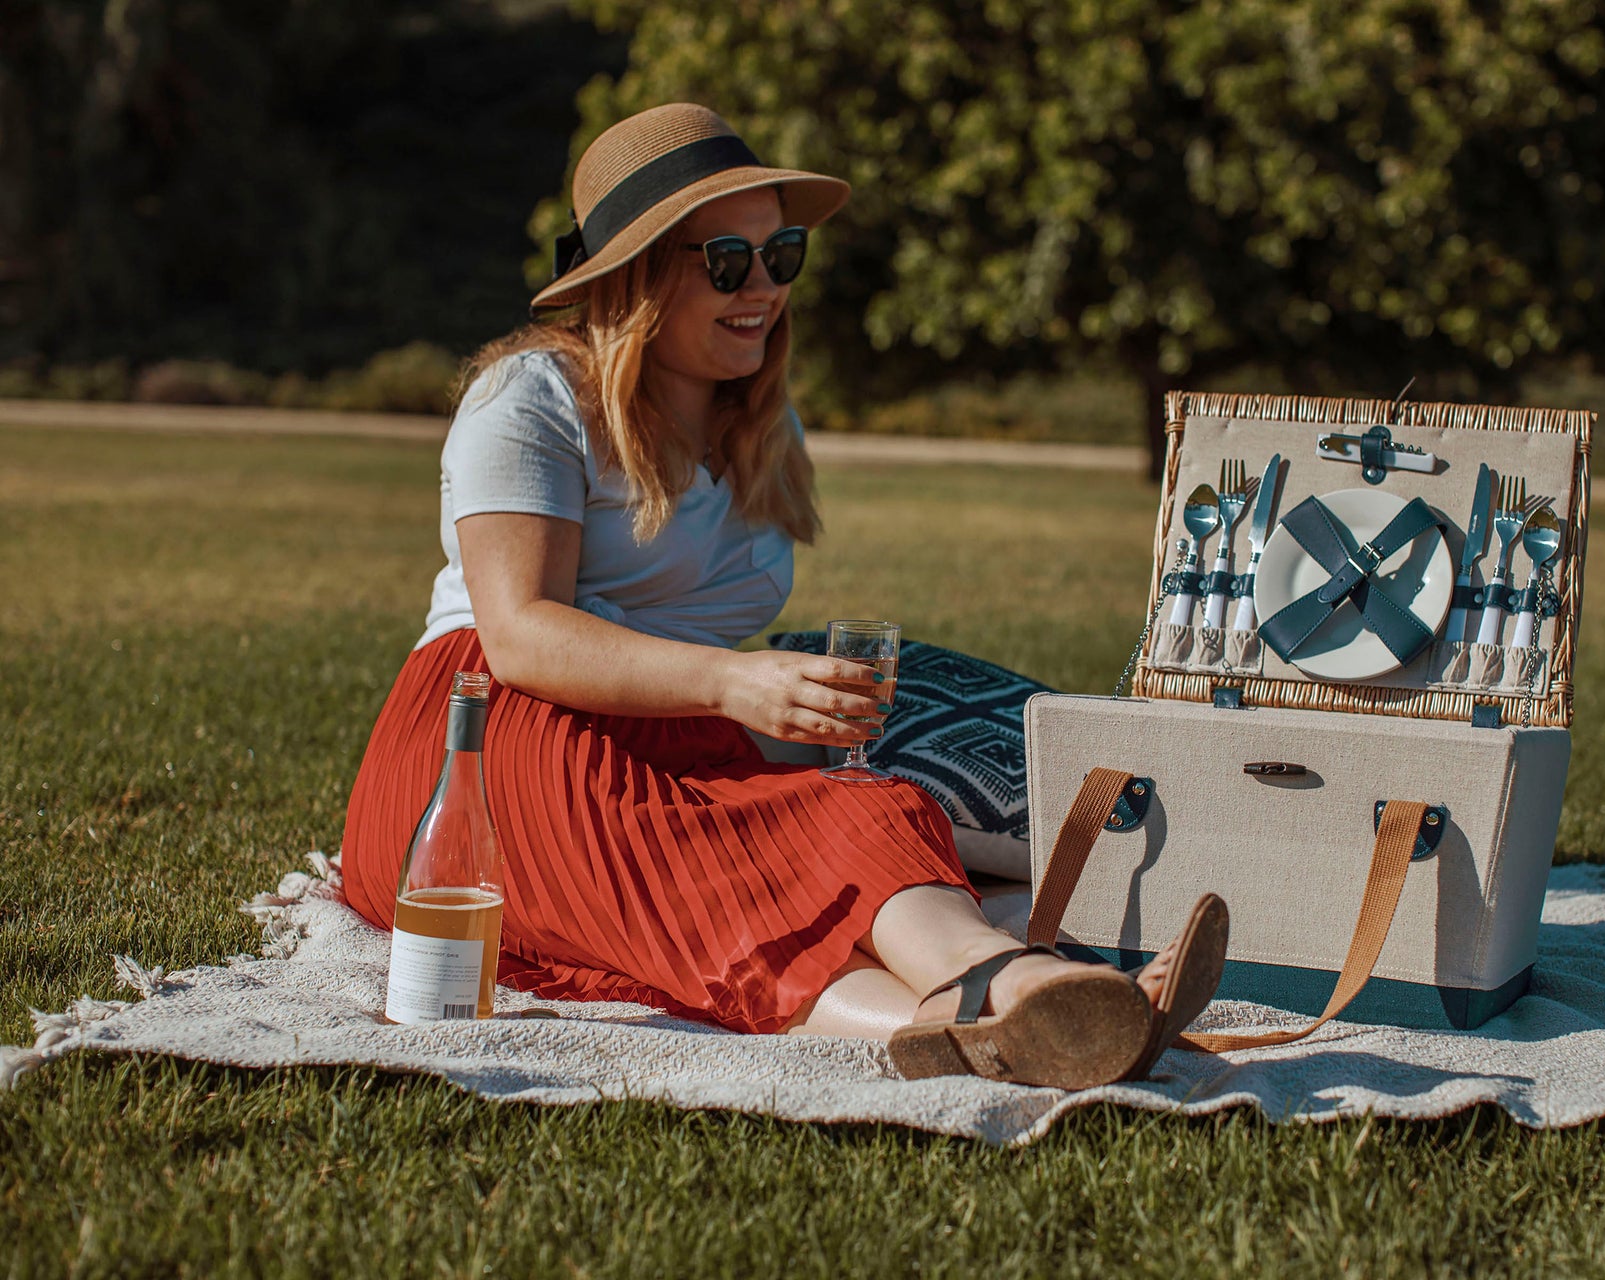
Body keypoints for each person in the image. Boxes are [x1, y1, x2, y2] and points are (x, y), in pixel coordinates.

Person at [340, 103, 1227, 1090]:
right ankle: (1028, 991)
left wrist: (775, 696)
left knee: (860, 813)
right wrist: (735, 683)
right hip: (490, 732)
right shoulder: (537, 397)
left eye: (781, 253)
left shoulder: (759, 424)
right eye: (728, 261)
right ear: (638, 275)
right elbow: (520, 633)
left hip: (665, 727)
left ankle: (997, 1010)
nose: (763, 287)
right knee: (717, 874)